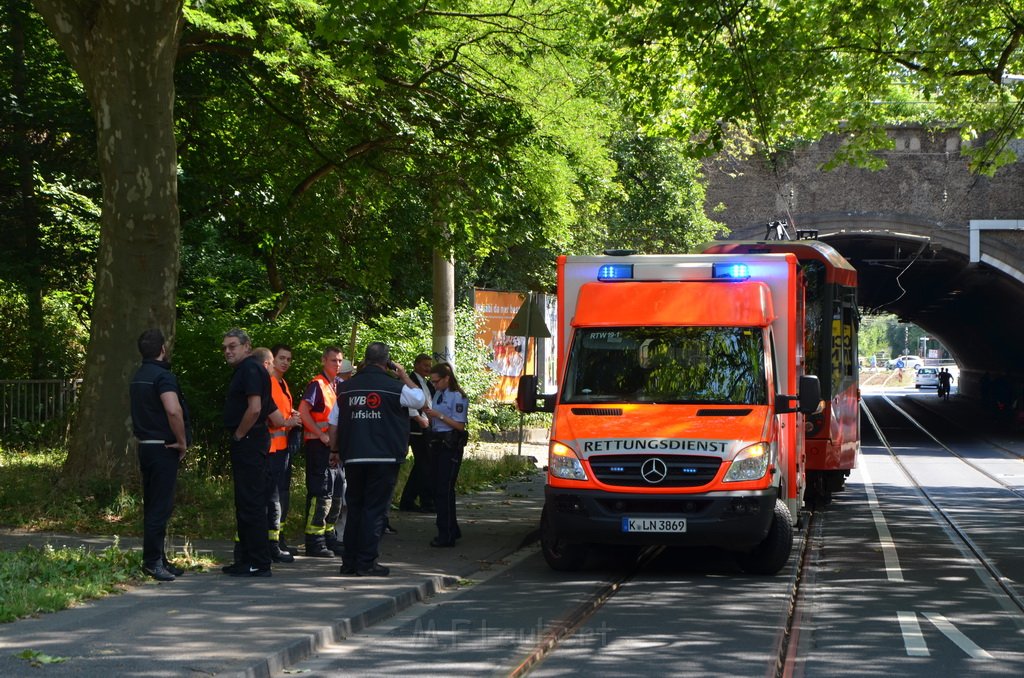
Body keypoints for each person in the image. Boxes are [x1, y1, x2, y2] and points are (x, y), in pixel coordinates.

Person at [332, 342, 425, 576]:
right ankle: (366, 563)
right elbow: (421, 400)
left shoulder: (345, 388)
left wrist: (334, 451)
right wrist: (404, 375)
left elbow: (333, 423)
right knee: (374, 510)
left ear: (366, 359)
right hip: (385, 458)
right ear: (388, 362)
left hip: (353, 457)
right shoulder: (396, 388)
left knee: (355, 508)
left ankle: (349, 563)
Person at [129, 328, 191, 582]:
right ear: (162, 349)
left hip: (145, 445)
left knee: (154, 504)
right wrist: (182, 441)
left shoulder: (138, 376)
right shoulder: (162, 377)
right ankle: (153, 561)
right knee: (160, 506)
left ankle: (158, 557)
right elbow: (173, 410)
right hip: (164, 447)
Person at [221, 331, 282, 577]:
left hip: (249, 441)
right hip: (253, 441)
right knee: (247, 501)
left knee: (252, 502)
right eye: (224, 347)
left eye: (233, 346)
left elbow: (255, 409)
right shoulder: (252, 370)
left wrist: (239, 434)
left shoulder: (250, 370)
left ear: (247, 347)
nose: (227, 351)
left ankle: (258, 561)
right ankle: (247, 559)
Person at [299, 346, 346, 557]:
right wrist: (319, 433)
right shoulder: (317, 385)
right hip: (319, 447)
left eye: (339, 361)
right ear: (323, 361)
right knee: (321, 494)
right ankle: (314, 541)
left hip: (335, 449)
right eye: (333, 360)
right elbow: (303, 411)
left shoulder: (338, 385)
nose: (337, 364)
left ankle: (329, 536)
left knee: (337, 494)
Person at [425, 362, 469, 548]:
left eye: (436, 381)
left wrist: (438, 416)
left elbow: (460, 425)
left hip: (450, 444)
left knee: (444, 488)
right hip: (438, 442)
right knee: (437, 487)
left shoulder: (457, 396)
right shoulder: (439, 393)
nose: (434, 385)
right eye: (432, 382)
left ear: (446, 379)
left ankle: (446, 533)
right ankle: (451, 528)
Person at [266, 345, 302, 562]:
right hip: (272, 448)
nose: (285, 362)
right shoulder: (269, 382)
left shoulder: (283, 383)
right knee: (273, 498)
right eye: (282, 358)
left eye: (289, 359)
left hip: (283, 448)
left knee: (281, 496)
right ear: (272, 359)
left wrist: (292, 415)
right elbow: (271, 415)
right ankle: (272, 542)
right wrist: (289, 421)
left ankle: (278, 538)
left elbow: (282, 411)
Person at [399, 353, 436, 513]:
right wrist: (418, 419)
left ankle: (408, 499)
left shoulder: (426, 383)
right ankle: (425, 501)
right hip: (416, 427)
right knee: (425, 464)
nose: (428, 368)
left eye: (429, 365)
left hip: (427, 424)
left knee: (423, 465)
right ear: (416, 365)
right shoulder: (411, 380)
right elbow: (410, 401)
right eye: (425, 365)